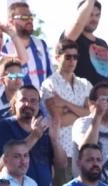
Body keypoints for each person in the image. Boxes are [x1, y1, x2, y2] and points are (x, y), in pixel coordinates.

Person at [0, 85, 66, 186]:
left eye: (33, 101)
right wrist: (35, 135)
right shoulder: (5, 126)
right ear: (14, 103)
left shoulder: (45, 129)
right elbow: (2, 161)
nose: (28, 104)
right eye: (23, 100)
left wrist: (55, 140)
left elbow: (62, 164)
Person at [41, 39, 91, 178]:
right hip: (63, 150)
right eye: (68, 57)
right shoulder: (49, 84)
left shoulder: (85, 84)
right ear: (58, 58)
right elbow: (59, 120)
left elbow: (92, 113)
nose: (72, 61)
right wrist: (82, 111)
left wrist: (65, 104)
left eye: (75, 57)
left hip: (84, 150)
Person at [0, 2, 51, 92]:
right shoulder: (4, 49)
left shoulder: (41, 44)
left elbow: (50, 76)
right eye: (24, 17)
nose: (29, 20)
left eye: (30, 16)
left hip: (42, 102)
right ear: (10, 21)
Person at [61, 0, 108, 86]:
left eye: (97, 15)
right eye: (90, 15)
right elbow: (78, 24)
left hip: (103, 97)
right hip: (78, 97)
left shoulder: (103, 43)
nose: (94, 19)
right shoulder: (73, 39)